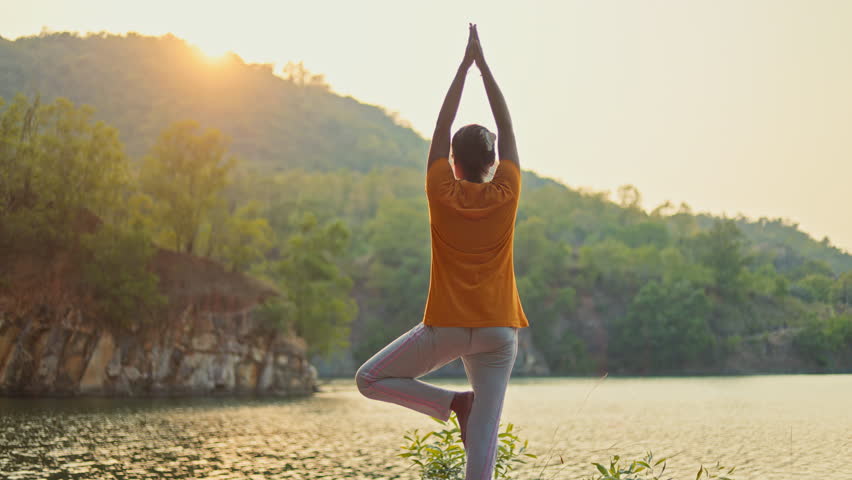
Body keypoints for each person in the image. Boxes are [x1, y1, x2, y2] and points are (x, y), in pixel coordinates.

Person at [355, 23, 528, 480]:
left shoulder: (439, 189)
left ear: (452, 161)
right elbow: (507, 126)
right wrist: (485, 68)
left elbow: (441, 126)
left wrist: (463, 67)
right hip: (498, 330)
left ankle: (452, 404)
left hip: (446, 326)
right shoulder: (507, 192)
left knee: (369, 380)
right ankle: (465, 408)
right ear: (494, 164)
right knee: (483, 446)